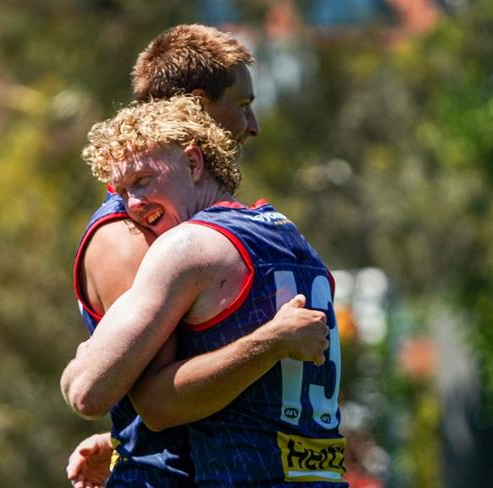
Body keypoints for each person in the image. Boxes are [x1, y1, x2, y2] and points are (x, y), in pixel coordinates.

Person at [67, 24, 327, 487]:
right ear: (197, 108)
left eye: (140, 184)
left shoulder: (206, 230)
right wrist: (123, 443)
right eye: (242, 105)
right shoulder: (137, 231)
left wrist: (120, 440)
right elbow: (147, 399)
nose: (253, 126)